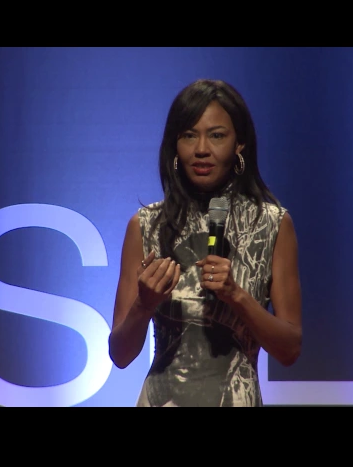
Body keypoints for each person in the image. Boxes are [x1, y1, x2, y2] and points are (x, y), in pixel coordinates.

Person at [108, 79, 302, 407]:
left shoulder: (272, 224)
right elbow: (120, 355)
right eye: (189, 135)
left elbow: (290, 350)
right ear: (175, 145)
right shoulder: (145, 226)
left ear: (239, 144)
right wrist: (144, 304)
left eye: (216, 135)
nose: (201, 149)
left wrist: (236, 296)